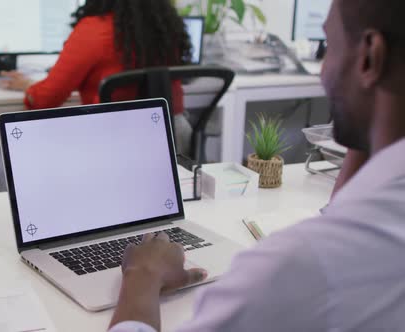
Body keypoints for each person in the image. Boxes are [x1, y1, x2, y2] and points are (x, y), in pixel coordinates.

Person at [109, 0, 405, 331]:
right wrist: (370, 128)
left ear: (369, 56)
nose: (323, 71)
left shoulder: (295, 267)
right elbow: (351, 221)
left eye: (329, 46)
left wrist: (142, 276)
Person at [0, 0, 194, 154]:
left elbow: (46, 99)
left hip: (115, 141)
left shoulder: (94, 29)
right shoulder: (166, 27)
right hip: (174, 135)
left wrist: (29, 87)